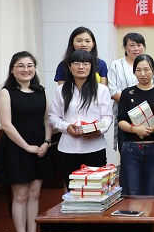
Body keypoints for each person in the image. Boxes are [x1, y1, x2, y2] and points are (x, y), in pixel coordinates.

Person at [0, 52, 54, 232]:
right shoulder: (6, 92)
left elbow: (47, 119)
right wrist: (26, 147)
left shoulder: (41, 91)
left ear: (34, 69)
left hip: (40, 147)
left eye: (30, 66)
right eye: (20, 66)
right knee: (21, 195)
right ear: (12, 70)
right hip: (17, 148)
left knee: (35, 193)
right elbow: (6, 125)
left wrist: (47, 141)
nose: (25, 69)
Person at [48, 49, 113, 188]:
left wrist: (98, 131)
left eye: (85, 63)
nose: (81, 67)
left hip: (95, 149)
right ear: (69, 67)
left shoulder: (101, 90)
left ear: (92, 67)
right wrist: (66, 127)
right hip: (67, 149)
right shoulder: (61, 90)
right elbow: (53, 116)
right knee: (73, 190)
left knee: (95, 190)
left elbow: (107, 117)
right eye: (76, 63)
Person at [117, 54, 154, 196]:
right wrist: (134, 129)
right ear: (134, 72)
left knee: (152, 191)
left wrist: (153, 129)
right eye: (138, 70)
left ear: (153, 70)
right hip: (131, 149)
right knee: (132, 192)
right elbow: (121, 121)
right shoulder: (127, 93)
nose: (143, 74)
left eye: (147, 69)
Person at [108, 32, 147, 158]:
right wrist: (133, 106)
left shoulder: (150, 64)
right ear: (124, 47)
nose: (136, 48)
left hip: (147, 116)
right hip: (125, 114)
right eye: (132, 45)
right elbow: (113, 90)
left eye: (139, 45)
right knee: (127, 153)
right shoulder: (116, 65)